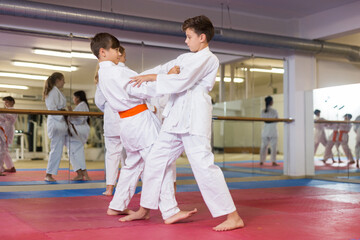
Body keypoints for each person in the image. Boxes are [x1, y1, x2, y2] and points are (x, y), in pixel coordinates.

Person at [121, 15, 244, 231]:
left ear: (202, 37)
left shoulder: (209, 59)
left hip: (195, 117)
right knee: (155, 161)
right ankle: (145, 208)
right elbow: (165, 70)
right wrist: (153, 75)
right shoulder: (183, 58)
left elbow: (180, 81)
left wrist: (154, 78)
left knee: (204, 166)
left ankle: (233, 216)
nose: (186, 41)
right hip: (175, 118)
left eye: (189, 37)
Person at [90, 33, 191, 220]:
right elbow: (141, 90)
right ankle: (170, 210)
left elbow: (137, 82)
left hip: (128, 123)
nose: (118, 52)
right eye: (115, 49)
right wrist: (166, 78)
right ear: (103, 52)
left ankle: (117, 205)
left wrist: (160, 75)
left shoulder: (105, 73)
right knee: (160, 163)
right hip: (139, 122)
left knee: (132, 165)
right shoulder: (116, 72)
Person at [95, 46, 126, 196]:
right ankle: (126, 188)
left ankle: (109, 188)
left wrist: (108, 107)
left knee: (112, 154)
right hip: (127, 119)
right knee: (131, 157)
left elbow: (99, 100)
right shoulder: (124, 72)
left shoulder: (103, 73)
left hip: (112, 120)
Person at [43, 72, 68, 182]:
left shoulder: (55, 91)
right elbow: (53, 109)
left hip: (60, 123)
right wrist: (64, 112)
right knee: (56, 150)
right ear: (58, 80)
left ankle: (80, 171)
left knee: (58, 149)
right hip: (56, 123)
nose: (64, 83)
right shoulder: (53, 92)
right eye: (63, 80)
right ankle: (48, 174)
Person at [66, 90, 91, 181]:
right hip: (79, 130)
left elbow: (78, 119)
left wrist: (70, 112)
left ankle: (83, 173)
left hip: (79, 130)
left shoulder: (82, 105)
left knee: (77, 151)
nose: (73, 99)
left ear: (78, 98)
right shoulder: (83, 106)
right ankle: (80, 173)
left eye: (74, 97)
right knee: (72, 151)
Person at [259, 96, 279, 166]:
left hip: (265, 130)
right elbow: (277, 119)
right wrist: (272, 120)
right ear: (271, 102)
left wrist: (268, 121)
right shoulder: (274, 111)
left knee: (264, 146)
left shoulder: (263, 111)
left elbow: (264, 120)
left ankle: (261, 160)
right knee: (274, 147)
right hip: (273, 130)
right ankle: (273, 161)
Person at [0, 96, 17, 175]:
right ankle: (10, 167)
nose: (5, 104)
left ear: (12, 102)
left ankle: (3, 168)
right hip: (3, 130)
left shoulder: (12, 111)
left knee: (3, 149)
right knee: (4, 149)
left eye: (7, 102)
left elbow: (7, 118)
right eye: (5, 102)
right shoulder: (5, 111)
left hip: (7, 131)